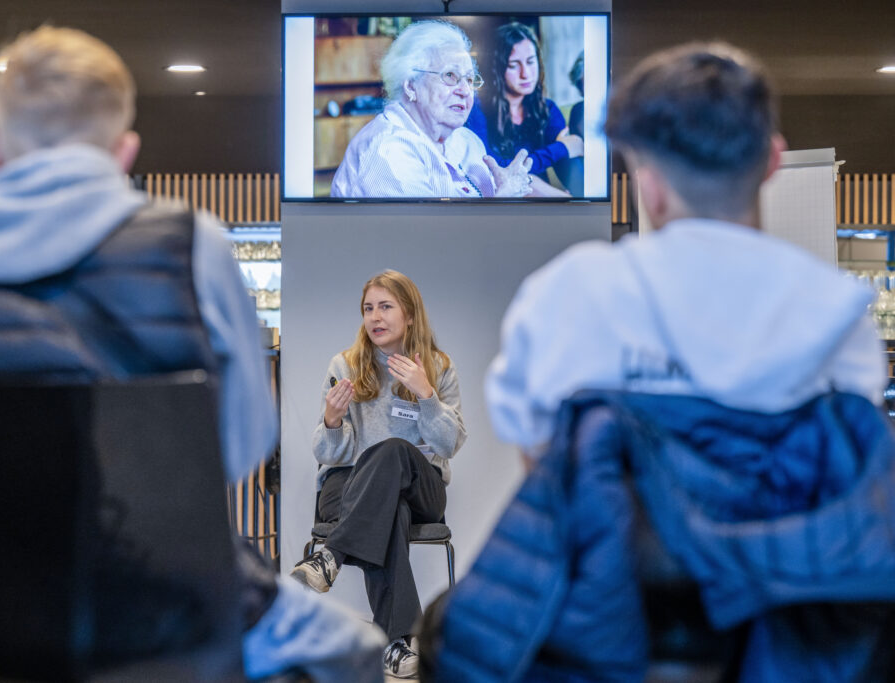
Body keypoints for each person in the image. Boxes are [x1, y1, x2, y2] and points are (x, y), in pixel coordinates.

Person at [0, 26, 384, 683]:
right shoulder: (192, 246)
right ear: (124, 152)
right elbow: (242, 449)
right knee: (360, 650)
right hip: (169, 624)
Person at [420, 43, 895, 681]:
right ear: (772, 160)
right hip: (785, 635)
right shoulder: (838, 316)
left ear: (646, 178)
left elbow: (548, 475)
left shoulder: (566, 296)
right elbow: (844, 492)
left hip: (601, 635)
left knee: (446, 630)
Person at [290, 270, 466, 679]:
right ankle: (399, 640)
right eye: (368, 308)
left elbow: (449, 443)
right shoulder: (346, 364)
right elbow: (328, 453)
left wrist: (426, 395)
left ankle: (330, 555)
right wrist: (332, 422)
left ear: (409, 314)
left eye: (385, 307)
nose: (375, 317)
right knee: (390, 513)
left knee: (393, 453)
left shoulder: (438, 367)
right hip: (350, 486)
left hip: (422, 488)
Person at [330, 20, 534, 199]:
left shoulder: (467, 141)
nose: (465, 90)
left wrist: (502, 188)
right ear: (411, 86)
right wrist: (505, 200)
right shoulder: (388, 152)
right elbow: (430, 240)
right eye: (450, 76)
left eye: (469, 79)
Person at [464, 22, 582, 196]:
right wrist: (560, 149)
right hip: (496, 201)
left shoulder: (547, 109)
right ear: (496, 68)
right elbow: (495, 169)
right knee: (530, 180)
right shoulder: (475, 109)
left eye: (530, 61)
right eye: (513, 65)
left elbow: (566, 162)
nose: (525, 73)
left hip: (539, 205)